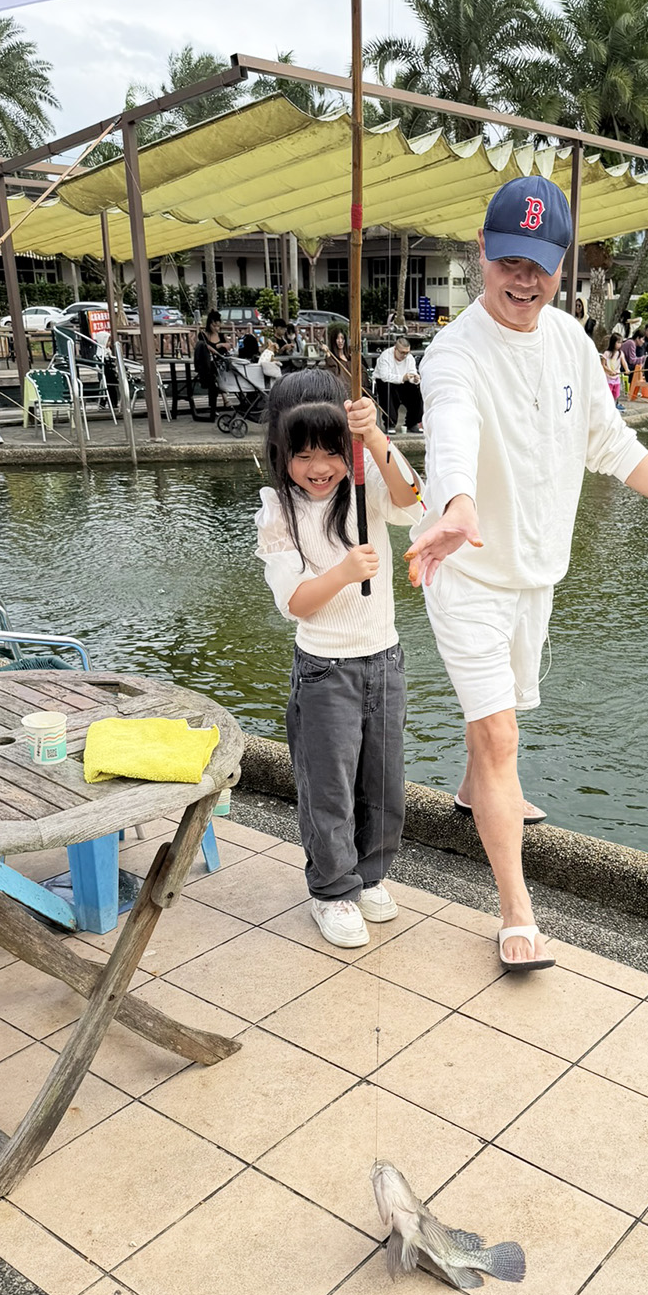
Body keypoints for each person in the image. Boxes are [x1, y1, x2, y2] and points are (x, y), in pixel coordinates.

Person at [410, 173, 648, 970]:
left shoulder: (569, 343)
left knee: (501, 721)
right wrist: (455, 501)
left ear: (563, 266)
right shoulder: (452, 352)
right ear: (483, 251)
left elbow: (608, 442)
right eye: (510, 261)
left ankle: (469, 793)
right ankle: (516, 909)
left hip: (535, 575)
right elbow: (452, 426)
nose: (523, 281)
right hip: (464, 569)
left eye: (541, 265)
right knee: (501, 733)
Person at [254, 368, 423, 949]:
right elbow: (295, 604)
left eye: (333, 449)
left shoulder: (364, 478)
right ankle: (332, 889)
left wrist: (375, 439)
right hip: (325, 671)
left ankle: (369, 875)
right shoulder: (278, 510)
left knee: (384, 781)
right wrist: (344, 571)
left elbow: (412, 499)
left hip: (385, 659)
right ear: (281, 449)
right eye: (303, 454)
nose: (320, 466)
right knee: (327, 786)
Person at [374, 336, 423, 432]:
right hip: (385, 382)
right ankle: (390, 423)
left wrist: (415, 379)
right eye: (402, 353)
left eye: (406, 353)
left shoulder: (409, 358)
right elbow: (384, 376)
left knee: (416, 390)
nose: (404, 355)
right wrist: (402, 378)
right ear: (395, 349)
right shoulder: (385, 356)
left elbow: (412, 371)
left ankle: (412, 422)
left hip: (403, 382)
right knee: (387, 389)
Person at [194, 310, 228, 420]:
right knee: (214, 375)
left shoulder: (221, 336)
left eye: (218, 326)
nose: (216, 328)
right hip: (208, 364)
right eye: (214, 326)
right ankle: (224, 398)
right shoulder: (203, 335)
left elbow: (229, 345)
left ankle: (225, 398)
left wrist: (224, 344)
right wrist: (216, 349)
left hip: (221, 362)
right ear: (209, 324)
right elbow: (205, 347)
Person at [601, 332, 628, 409]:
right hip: (608, 378)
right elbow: (603, 365)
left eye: (621, 342)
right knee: (608, 393)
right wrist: (610, 371)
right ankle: (607, 406)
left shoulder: (620, 353)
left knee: (616, 394)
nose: (620, 344)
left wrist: (627, 369)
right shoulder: (606, 353)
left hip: (616, 377)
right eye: (618, 342)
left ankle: (614, 406)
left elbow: (624, 362)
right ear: (613, 342)